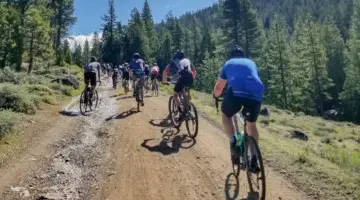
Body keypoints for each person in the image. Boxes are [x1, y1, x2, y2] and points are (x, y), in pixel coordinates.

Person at [213, 45, 264, 171]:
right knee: (251, 125)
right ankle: (254, 158)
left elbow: (219, 87)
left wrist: (215, 95)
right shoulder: (251, 62)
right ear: (243, 56)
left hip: (236, 92)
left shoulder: (228, 63)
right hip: (257, 92)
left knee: (226, 114)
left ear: (231, 56)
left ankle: (234, 141)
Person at [162, 51, 197, 120]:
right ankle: (188, 107)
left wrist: (164, 81)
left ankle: (181, 112)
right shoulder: (188, 60)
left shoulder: (174, 61)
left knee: (175, 95)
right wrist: (191, 79)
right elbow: (194, 71)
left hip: (182, 78)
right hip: (190, 77)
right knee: (186, 92)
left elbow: (165, 72)